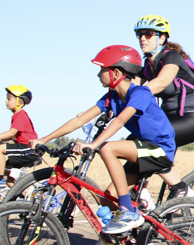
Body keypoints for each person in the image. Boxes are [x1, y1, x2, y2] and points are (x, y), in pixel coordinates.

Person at [29, 46, 177, 234]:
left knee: (107, 149)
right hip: (142, 150)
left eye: (102, 70)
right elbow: (79, 120)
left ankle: (129, 212)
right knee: (107, 198)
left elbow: (121, 119)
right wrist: (45, 138)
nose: (98, 75)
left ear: (116, 73)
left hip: (159, 149)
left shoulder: (140, 93)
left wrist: (94, 144)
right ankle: (128, 244)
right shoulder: (112, 97)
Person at [136, 15, 194, 198]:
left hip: (192, 118)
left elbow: (161, 82)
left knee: (150, 141)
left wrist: (134, 98)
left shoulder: (171, 57)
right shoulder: (148, 65)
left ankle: (182, 191)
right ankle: (142, 198)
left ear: (161, 38)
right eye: (140, 35)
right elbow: (132, 89)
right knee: (134, 141)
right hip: (168, 120)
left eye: (148, 34)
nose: (143, 38)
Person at [0, 85, 40, 190]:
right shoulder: (17, 115)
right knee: (10, 180)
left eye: (9, 99)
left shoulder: (20, 114)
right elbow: (13, 136)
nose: (6, 101)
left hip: (28, 148)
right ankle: (20, 199)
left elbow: (12, 132)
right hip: (23, 148)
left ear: (19, 102)